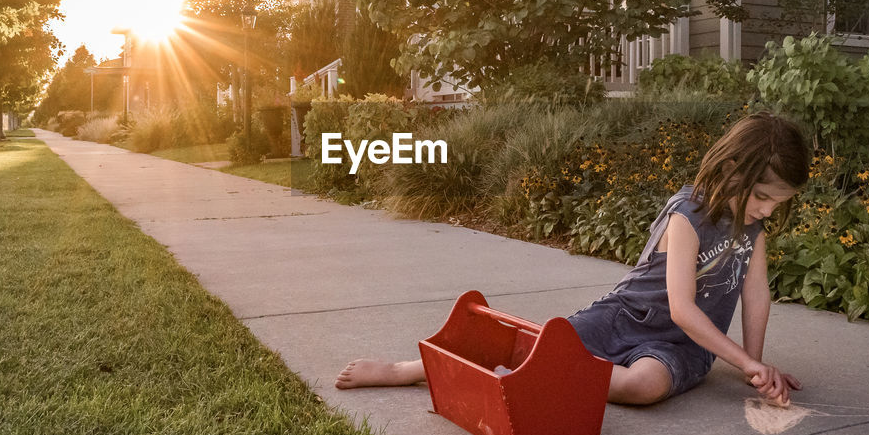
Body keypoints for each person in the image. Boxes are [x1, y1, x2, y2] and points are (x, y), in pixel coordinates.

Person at [336, 111, 810, 407]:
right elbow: (683, 306)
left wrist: (755, 365)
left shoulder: (754, 228)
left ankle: (546, 379)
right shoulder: (687, 214)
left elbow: (756, 296)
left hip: (679, 348)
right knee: (538, 347)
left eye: (777, 203)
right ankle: (406, 370)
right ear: (731, 170)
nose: (767, 210)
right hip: (622, 317)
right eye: (763, 196)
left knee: (644, 388)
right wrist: (748, 365)